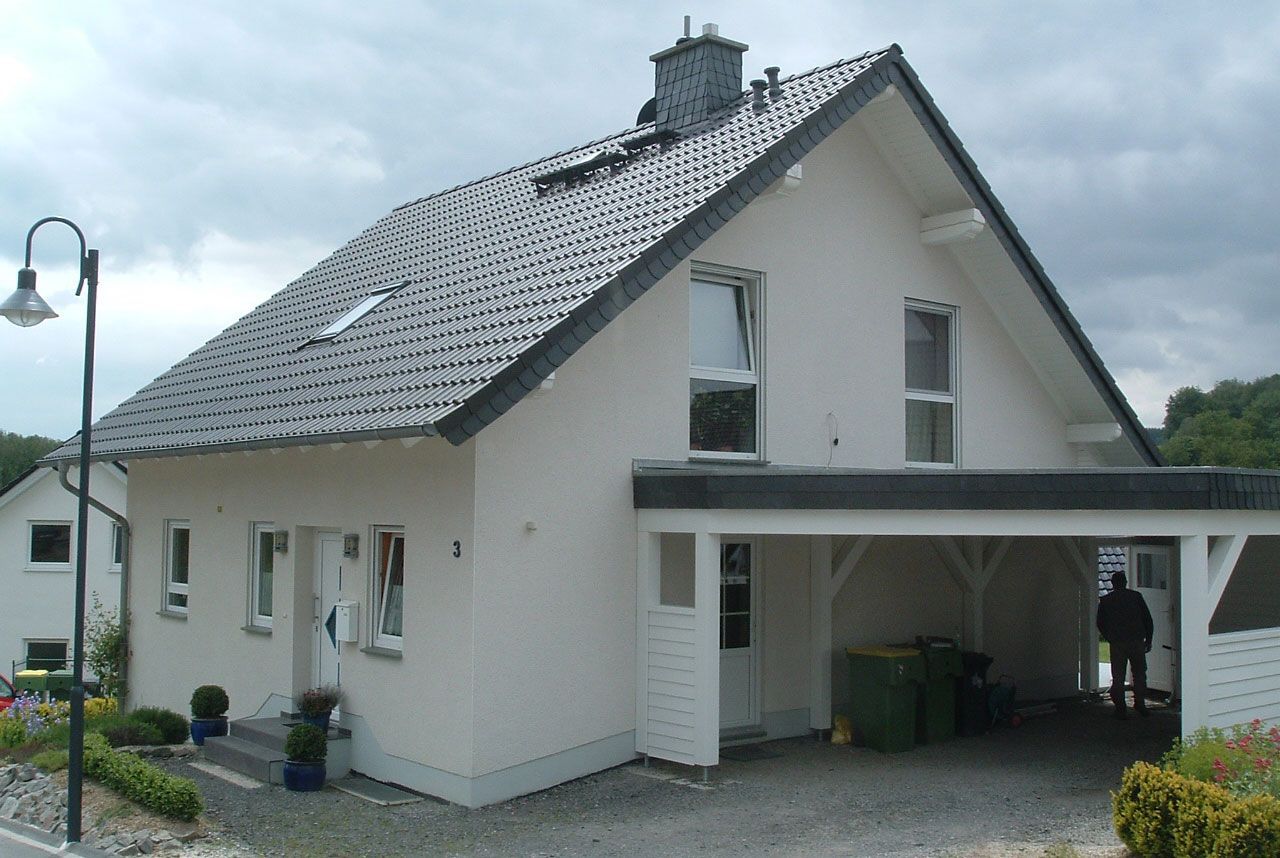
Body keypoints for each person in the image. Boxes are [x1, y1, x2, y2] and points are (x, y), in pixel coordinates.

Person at [1097, 571, 1154, 719]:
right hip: (1136, 640)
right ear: (1126, 582)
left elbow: (1100, 623)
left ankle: (1120, 708)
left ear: (1113, 583)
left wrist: (1110, 637)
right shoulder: (1136, 597)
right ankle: (1140, 703)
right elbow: (1148, 619)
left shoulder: (1106, 600)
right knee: (1140, 673)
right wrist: (1149, 639)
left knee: (1118, 676)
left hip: (1117, 643)